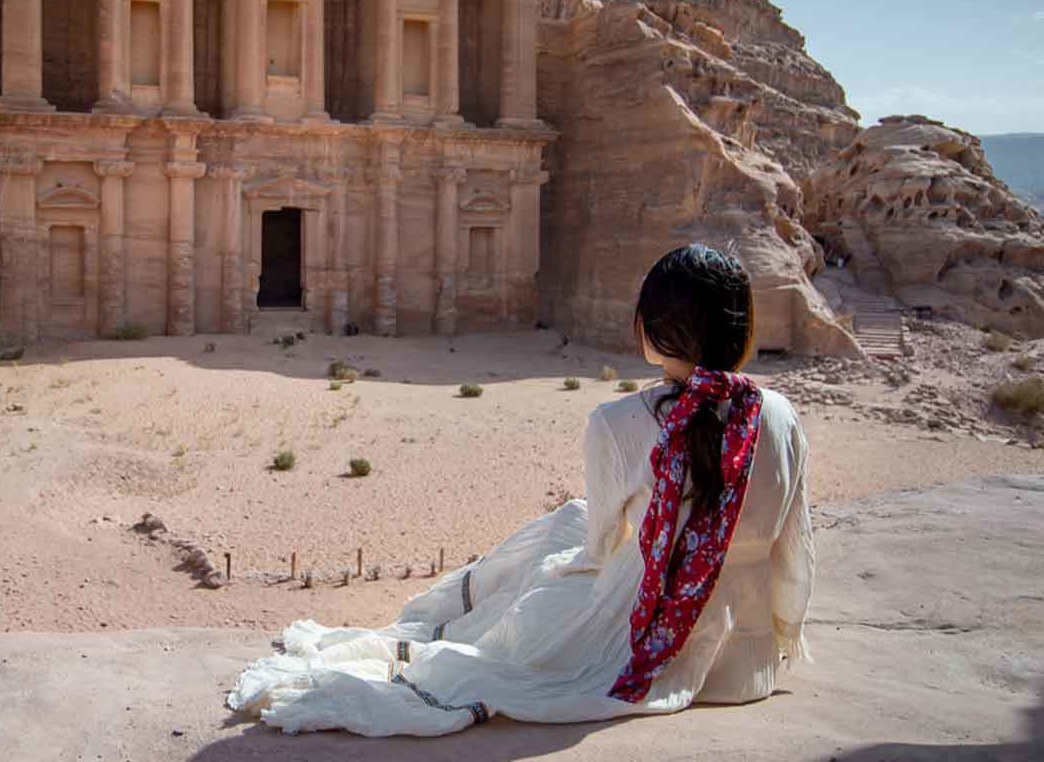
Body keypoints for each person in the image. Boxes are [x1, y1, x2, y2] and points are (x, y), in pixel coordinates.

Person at [227, 243, 814, 737]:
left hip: (650, 647)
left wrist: (551, 574)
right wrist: (779, 634)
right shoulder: (783, 415)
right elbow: (794, 547)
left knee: (547, 558)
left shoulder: (619, 423)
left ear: (655, 331)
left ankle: (443, 625)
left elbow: (601, 548)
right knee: (564, 531)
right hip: (747, 664)